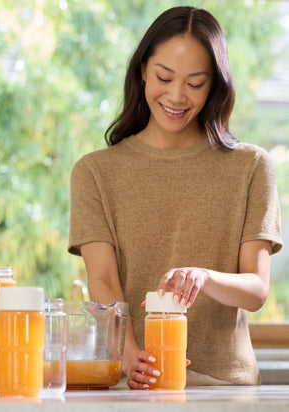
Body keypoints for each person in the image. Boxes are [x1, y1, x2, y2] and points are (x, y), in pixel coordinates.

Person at [68, 6, 283, 388]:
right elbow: (102, 279)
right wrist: (131, 356)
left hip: (224, 385)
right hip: (134, 382)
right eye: (164, 77)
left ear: (215, 84)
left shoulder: (251, 167)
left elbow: (256, 291)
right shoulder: (95, 172)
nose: (176, 95)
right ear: (142, 71)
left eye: (195, 83)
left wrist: (203, 277)